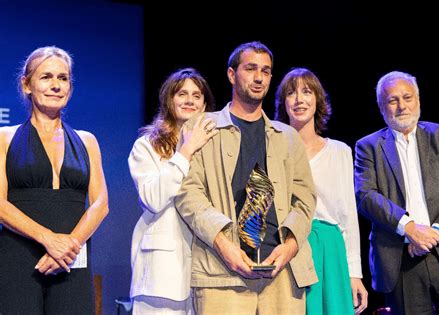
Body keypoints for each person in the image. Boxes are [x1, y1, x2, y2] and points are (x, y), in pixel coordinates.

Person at [174, 41, 317, 315]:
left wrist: (290, 246)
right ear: (231, 74)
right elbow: (188, 192)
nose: (259, 77)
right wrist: (223, 245)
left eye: (266, 70)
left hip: (282, 274)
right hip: (221, 273)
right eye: (250, 68)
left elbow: (306, 199)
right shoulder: (202, 126)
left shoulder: (287, 136)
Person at [354, 70, 439, 314]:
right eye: (392, 100)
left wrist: (433, 234)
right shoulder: (367, 146)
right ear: (381, 107)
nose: (401, 106)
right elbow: (366, 196)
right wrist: (409, 228)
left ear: (418, 100)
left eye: (407, 98)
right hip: (400, 261)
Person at [0, 46, 109, 313]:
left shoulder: (87, 141)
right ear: (27, 84)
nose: (56, 85)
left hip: (72, 258)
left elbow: (100, 204)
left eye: (63, 78)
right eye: (46, 77)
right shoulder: (5, 138)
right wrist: (49, 240)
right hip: (19, 258)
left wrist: (69, 245)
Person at [274, 67, 368, 314]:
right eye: (291, 93)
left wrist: (354, 273)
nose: (299, 99)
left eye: (306, 92)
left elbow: (348, 215)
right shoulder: (273, 150)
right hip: (288, 246)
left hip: (329, 250)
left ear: (317, 99)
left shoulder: (340, 151)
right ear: (283, 103)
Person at [128, 68, 218, 314]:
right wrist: (186, 151)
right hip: (162, 274)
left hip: (208, 269)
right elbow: (153, 199)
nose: (189, 100)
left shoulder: (215, 145)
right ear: (169, 99)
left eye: (196, 95)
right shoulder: (147, 146)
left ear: (205, 104)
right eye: (182, 94)